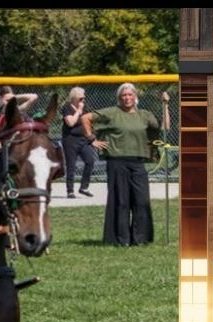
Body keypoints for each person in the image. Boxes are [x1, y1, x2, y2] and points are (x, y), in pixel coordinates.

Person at [81, 83, 170, 246]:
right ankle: (120, 239)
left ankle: (140, 238)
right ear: (119, 98)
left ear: (135, 97)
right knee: (121, 201)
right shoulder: (112, 113)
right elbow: (85, 118)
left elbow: (165, 127)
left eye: (130, 95)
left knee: (141, 201)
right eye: (124, 95)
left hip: (138, 163)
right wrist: (91, 139)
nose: (127, 98)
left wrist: (165, 105)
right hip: (117, 162)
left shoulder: (144, 115)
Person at [60, 86, 96, 199]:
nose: (83, 100)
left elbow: (89, 121)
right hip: (70, 139)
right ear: (74, 97)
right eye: (80, 98)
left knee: (90, 160)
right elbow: (70, 123)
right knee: (71, 165)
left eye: (83, 98)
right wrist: (79, 111)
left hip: (83, 139)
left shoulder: (86, 107)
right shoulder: (67, 107)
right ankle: (70, 191)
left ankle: (83, 187)